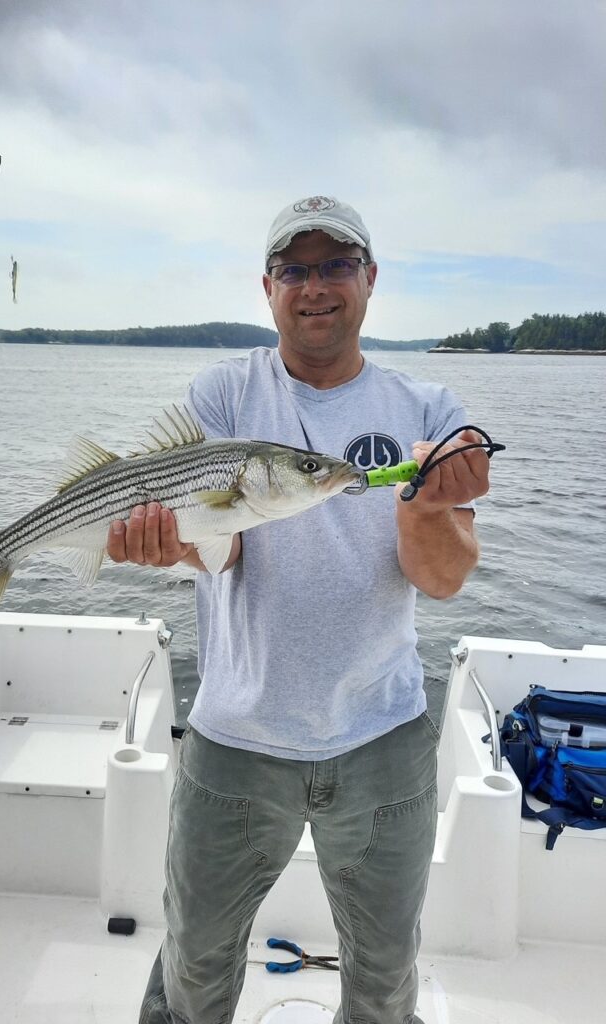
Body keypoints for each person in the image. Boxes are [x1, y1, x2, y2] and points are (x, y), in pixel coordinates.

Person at [107, 195, 492, 1024]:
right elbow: (224, 544)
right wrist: (164, 543)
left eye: (335, 265)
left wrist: (429, 509)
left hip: (381, 737)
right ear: (268, 287)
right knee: (196, 960)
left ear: (369, 279)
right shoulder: (225, 391)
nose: (315, 286)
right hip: (235, 738)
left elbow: (446, 578)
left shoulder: (426, 409)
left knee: (387, 975)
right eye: (294, 269)